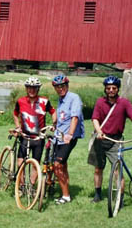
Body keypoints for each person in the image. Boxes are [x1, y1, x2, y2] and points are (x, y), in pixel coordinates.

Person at [88, 76, 132, 203]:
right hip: (101, 139)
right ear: (105, 89)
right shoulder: (100, 102)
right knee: (98, 168)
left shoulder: (124, 103)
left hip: (116, 140)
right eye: (108, 88)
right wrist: (99, 131)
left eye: (114, 88)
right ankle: (97, 194)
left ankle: (120, 198)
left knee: (117, 170)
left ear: (117, 89)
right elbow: (95, 119)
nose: (111, 90)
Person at [11, 77, 56, 194]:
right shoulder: (20, 101)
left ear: (38, 89)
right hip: (24, 136)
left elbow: (53, 112)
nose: (32, 90)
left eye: (34, 88)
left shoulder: (44, 101)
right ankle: (21, 186)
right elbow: (15, 114)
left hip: (38, 137)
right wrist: (17, 127)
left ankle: (30, 186)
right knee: (20, 163)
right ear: (26, 88)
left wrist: (54, 124)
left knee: (36, 164)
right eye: (29, 87)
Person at [51, 74, 84, 205]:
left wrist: (69, 134)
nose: (60, 89)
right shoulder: (61, 99)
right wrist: (54, 125)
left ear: (67, 86)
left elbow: (74, 117)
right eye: (57, 87)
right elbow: (63, 117)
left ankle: (66, 196)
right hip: (58, 137)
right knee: (62, 165)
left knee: (57, 165)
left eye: (62, 86)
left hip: (68, 138)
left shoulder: (74, 98)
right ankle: (65, 189)